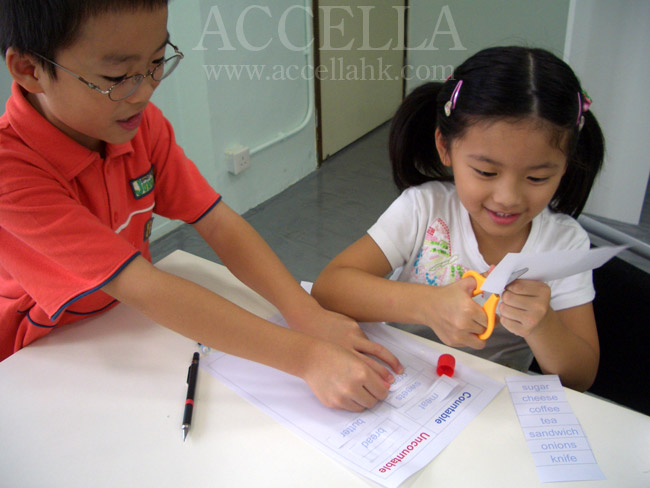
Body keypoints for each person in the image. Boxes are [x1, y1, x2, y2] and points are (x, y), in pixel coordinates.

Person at [0, 0, 403, 412]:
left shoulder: (137, 126)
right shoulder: (10, 169)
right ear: (30, 70)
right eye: (117, 76)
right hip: (38, 354)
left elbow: (217, 222)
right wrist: (307, 357)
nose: (144, 91)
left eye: (157, 62)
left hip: (124, 321)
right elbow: (141, 284)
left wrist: (303, 311)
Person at [312, 46, 605, 392]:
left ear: (566, 164)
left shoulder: (563, 244)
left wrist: (543, 327)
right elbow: (329, 289)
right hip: (398, 384)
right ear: (445, 147)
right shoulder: (425, 208)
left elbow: (580, 378)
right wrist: (426, 305)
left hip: (489, 403)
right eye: (485, 171)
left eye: (537, 178)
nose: (508, 197)